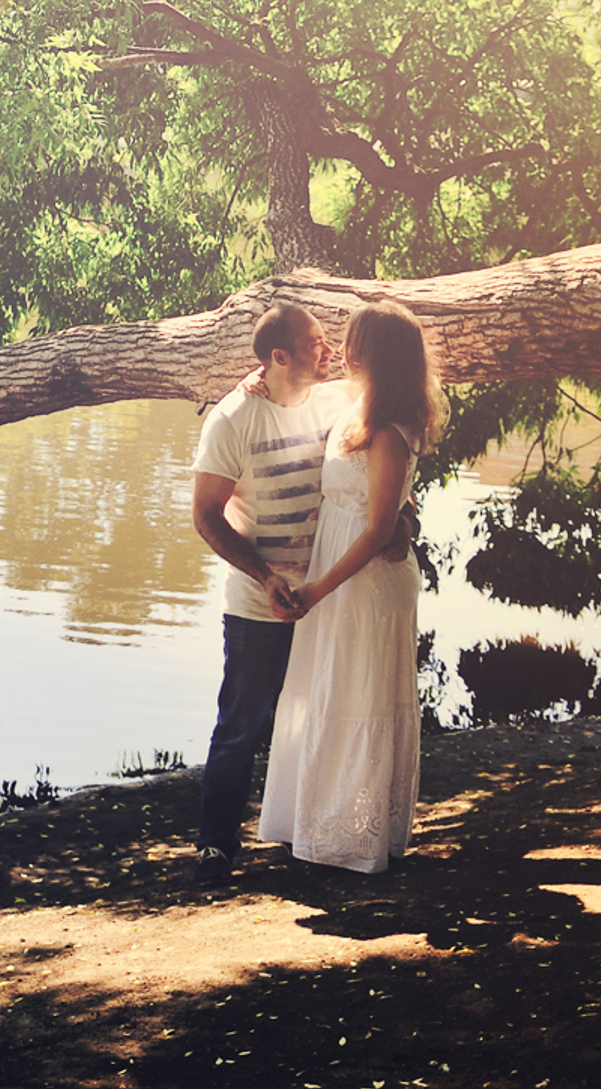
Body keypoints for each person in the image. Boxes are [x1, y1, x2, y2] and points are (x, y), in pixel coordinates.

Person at [257, 298, 440, 874]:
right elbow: (291, 386)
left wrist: (317, 590)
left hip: (363, 578)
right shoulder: (359, 403)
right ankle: (316, 822)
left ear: (374, 353)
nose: (341, 347)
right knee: (327, 691)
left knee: (358, 696)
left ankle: (354, 836)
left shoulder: (387, 429)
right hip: (337, 564)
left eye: (352, 339)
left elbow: (380, 526)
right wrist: (255, 380)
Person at [190, 302, 354, 882]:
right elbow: (205, 516)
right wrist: (265, 576)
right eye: (314, 343)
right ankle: (216, 847)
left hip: (327, 598)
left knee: (321, 719)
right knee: (241, 726)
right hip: (260, 604)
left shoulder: (335, 401)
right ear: (279, 357)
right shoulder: (233, 420)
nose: (328, 349)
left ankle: (309, 835)